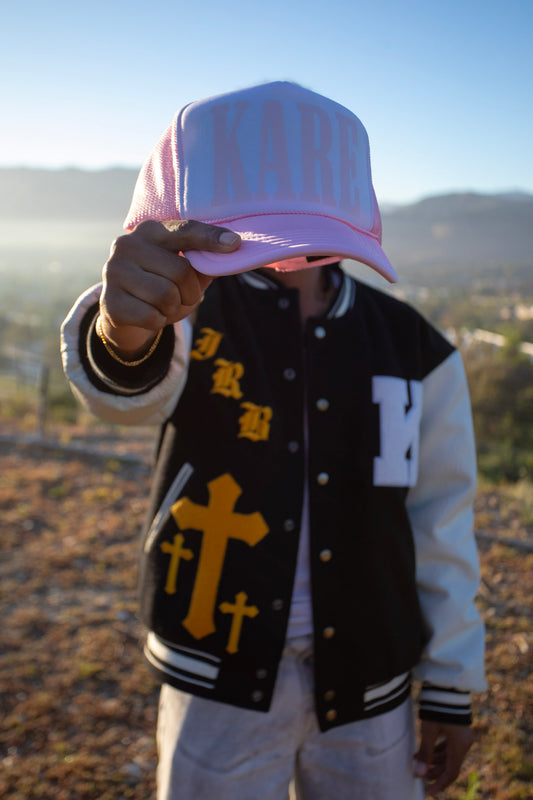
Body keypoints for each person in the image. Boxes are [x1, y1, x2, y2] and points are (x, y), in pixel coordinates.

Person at [61, 81, 486, 799]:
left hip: (369, 678)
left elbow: (441, 518)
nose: (290, 258)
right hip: (214, 669)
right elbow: (123, 392)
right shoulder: (182, 314)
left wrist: (450, 682)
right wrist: (121, 329)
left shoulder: (416, 347)